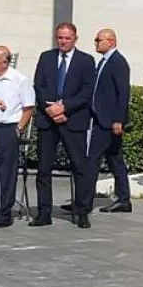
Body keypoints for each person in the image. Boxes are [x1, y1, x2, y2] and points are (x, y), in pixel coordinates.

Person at [30, 22, 96, 227]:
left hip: (72, 120)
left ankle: (81, 211)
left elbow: (87, 91)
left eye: (67, 38)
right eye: (60, 37)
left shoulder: (86, 61)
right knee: (43, 168)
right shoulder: (47, 57)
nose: (63, 41)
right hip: (48, 120)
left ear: (75, 38)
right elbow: (38, 85)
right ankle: (43, 212)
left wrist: (64, 107)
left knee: (79, 166)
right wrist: (51, 108)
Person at [0, 46, 34, 227]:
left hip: (9, 129)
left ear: (5, 62)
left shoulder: (19, 80)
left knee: (7, 174)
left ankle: (4, 214)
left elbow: (28, 107)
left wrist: (18, 129)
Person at [87, 29, 132, 216]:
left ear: (111, 42)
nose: (96, 43)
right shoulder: (103, 62)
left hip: (108, 121)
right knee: (115, 160)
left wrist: (118, 120)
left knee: (91, 160)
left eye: (99, 40)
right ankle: (123, 199)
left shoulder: (118, 62)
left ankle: (84, 200)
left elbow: (123, 93)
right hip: (99, 119)